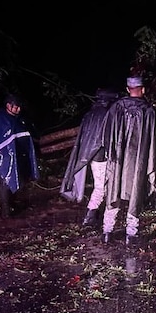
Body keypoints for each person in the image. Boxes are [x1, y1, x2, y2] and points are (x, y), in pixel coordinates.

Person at [100, 76, 156, 245]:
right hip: (138, 162)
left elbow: (106, 136)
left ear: (128, 89)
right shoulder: (149, 112)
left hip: (118, 160)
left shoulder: (116, 108)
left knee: (115, 189)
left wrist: (111, 153)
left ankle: (107, 231)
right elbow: (155, 143)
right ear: (142, 89)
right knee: (135, 191)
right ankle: (131, 234)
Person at [59, 87, 119, 227]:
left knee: (99, 186)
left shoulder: (90, 114)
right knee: (102, 188)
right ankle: (91, 217)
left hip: (92, 157)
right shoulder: (106, 115)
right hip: (101, 156)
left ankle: (91, 216)